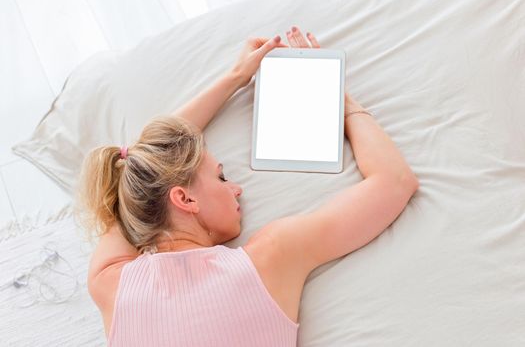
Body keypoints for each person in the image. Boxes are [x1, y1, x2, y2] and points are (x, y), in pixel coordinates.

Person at [75, 26, 419, 347]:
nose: (236, 189)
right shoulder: (271, 256)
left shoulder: (111, 284)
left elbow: (140, 164)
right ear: (184, 198)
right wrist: (339, 100)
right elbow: (395, 182)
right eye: (221, 176)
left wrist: (236, 77)